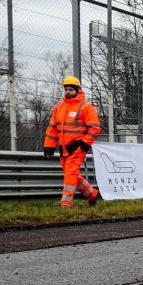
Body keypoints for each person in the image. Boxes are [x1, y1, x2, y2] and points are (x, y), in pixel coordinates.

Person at [43, 76, 101, 208]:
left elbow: (95, 128)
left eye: (71, 89)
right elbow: (52, 129)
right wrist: (49, 147)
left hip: (77, 148)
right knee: (72, 174)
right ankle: (92, 194)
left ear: (77, 90)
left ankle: (66, 204)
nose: (68, 92)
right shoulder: (58, 107)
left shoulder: (86, 107)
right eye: (66, 89)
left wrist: (84, 144)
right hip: (64, 148)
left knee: (70, 174)